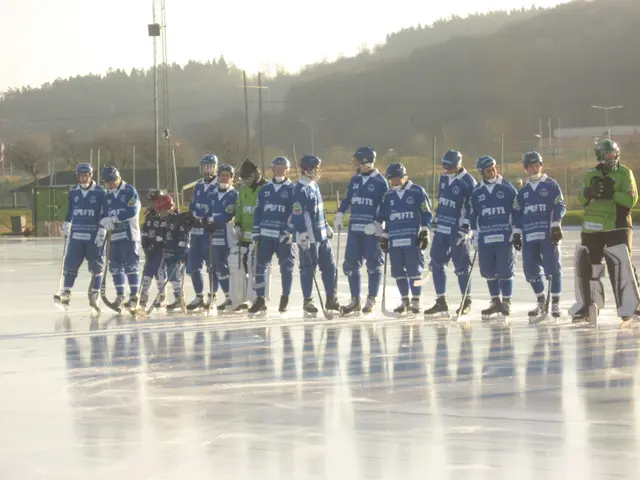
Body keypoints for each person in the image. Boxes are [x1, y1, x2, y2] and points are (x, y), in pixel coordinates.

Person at [569, 139, 639, 323]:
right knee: (588, 266)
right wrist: (589, 192)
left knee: (620, 264)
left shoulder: (625, 173)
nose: (611, 157)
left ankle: (630, 305)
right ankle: (588, 305)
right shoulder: (591, 173)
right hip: (592, 227)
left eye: (613, 153)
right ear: (599, 155)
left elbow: (631, 200)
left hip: (617, 224)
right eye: (607, 154)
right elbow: (581, 198)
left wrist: (613, 194)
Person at [512, 151, 566, 320]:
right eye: (530, 167)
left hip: (547, 235)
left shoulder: (551, 185)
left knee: (553, 269)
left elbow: (560, 205)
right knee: (530, 269)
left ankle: (555, 303)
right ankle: (541, 301)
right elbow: (517, 213)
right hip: (530, 236)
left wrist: (556, 224)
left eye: (536, 166)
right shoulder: (523, 191)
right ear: (526, 168)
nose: (534, 169)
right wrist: (517, 233)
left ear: (541, 166)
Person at [334, 146, 388, 315]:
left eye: (357, 161)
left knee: (373, 265)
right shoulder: (355, 180)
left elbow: (386, 207)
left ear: (365, 161)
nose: (355, 164)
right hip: (354, 231)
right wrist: (340, 213)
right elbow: (348, 199)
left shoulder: (380, 182)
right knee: (350, 264)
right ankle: (355, 300)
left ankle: (371, 299)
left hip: (371, 231)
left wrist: (378, 223)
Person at [424, 149, 477, 318]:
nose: (447, 170)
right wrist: (436, 219)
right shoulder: (444, 178)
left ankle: (466, 301)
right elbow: (442, 200)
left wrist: (466, 228)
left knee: (462, 266)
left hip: (457, 230)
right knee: (436, 263)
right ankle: (441, 301)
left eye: (450, 167)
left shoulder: (468, 182)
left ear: (459, 165)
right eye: (445, 167)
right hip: (442, 229)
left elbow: (471, 208)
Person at [377, 163, 433, 314]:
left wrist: (425, 230)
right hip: (395, 239)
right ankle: (404, 301)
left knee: (415, 271)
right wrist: (384, 235)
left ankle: (416, 300)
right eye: (390, 180)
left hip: (411, 239)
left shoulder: (417, 191)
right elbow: (386, 217)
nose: (393, 182)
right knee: (398, 272)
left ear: (403, 177)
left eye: (395, 179)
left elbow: (427, 212)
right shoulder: (388, 195)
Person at [469, 155, 518, 320]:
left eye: (493, 168)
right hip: (486, 237)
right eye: (488, 170)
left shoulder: (507, 188)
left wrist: (516, 230)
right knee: (488, 271)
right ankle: (495, 301)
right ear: (482, 172)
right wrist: (474, 234)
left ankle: (507, 301)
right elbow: (473, 215)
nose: (492, 172)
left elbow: (516, 210)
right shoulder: (477, 191)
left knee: (505, 270)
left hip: (504, 236)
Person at [291, 154, 340, 315]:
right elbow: (298, 213)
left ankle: (331, 299)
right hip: (310, 237)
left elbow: (320, 210)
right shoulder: (300, 189)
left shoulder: (314, 186)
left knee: (330, 267)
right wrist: (301, 233)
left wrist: (326, 225)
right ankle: (307, 301)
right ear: (308, 169)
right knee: (307, 268)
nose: (318, 171)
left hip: (322, 235)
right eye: (316, 168)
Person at [248, 156, 296, 314]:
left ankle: (285, 298)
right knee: (259, 266)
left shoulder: (292, 189)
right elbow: (258, 211)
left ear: (287, 169)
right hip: (265, 235)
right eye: (277, 167)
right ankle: (260, 298)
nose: (280, 169)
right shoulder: (265, 189)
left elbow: (295, 213)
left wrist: (290, 230)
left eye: (283, 167)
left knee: (286, 267)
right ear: (273, 169)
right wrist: (256, 230)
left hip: (282, 236)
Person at [54, 163, 106, 308]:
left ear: (90, 176)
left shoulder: (100, 192)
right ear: (77, 177)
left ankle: (95, 294)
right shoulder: (73, 192)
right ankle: (66, 291)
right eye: (81, 176)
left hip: (93, 236)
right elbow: (71, 211)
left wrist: (102, 229)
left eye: (86, 175)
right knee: (70, 264)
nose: (83, 178)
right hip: (76, 236)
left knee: (97, 266)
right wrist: (67, 223)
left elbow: (104, 213)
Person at [97, 165, 142, 310]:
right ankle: (120, 295)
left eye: (112, 181)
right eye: (107, 182)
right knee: (115, 267)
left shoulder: (129, 191)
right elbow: (103, 213)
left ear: (118, 178)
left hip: (129, 236)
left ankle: (135, 296)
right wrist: (104, 221)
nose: (110, 184)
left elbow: (132, 210)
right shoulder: (107, 195)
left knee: (131, 266)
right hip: (113, 237)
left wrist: (115, 218)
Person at [232, 158, 269, 311]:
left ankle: (260, 298)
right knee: (245, 266)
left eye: (247, 179)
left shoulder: (266, 188)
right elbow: (239, 207)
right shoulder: (242, 189)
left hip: (259, 232)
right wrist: (238, 223)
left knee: (258, 266)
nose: (245, 182)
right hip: (245, 234)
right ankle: (248, 297)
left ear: (255, 175)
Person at [186, 154, 219, 311]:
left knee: (212, 265)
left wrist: (209, 218)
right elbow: (193, 204)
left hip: (209, 231)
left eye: (209, 166)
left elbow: (220, 206)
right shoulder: (198, 185)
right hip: (196, 231)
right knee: (193, 265)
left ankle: (213, 295)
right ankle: (199, 296)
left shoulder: (219, 184)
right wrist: (192, 215)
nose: (206, 169)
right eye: (204, 166)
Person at [205, 164, 239, 311]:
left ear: (232, 178)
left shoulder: (233, 195)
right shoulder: (212, 193)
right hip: (213, 234)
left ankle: (233, 297)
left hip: (227, 235)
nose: (224, 177)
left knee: (225, 266)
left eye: (228, 175)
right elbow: (206, 210)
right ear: (218, 176)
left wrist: (213, 219)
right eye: (222, 175)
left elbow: (227, 215)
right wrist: (206, 220)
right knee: (215, 266)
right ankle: (225, 296)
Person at [155, 194, 194, 311]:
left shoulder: (178, 220)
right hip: (167, 251)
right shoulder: (165, 220)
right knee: (164, 273)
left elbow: (183, 238)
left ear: (169, 208)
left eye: (162, 211)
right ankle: (172, 298)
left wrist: (181, 254)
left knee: (175, 275)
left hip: (176, 253)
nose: (160, 214)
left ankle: (179, 298)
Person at [139, 189, 167, 309]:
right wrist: (145, 242)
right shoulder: (149, 215)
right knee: (147, 271)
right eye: (151, 202)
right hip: (150, 248)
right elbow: (145, 229)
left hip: (161, 249)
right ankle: (143, 297)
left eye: (155, 201)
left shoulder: (165, 215)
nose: (152, 204)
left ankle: (163, 297)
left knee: (159, 271)